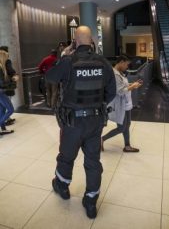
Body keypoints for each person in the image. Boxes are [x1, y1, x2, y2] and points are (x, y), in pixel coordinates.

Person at [46, 25, 116, 219]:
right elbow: (111, 91)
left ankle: (62, 186)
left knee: (67, 156)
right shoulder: (103, 62)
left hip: (73, 122)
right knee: (93, 161)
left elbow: (50, 76)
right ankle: (91, 201)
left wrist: (63, 55)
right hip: (95, 121)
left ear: (75, 41)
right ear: (91, 40)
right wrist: (98, 105)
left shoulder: (69, 61)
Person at [101, 55, 143, 152]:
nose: (127, 67)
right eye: (127, 64)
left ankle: (127, 146)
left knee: (127, 124)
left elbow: (123, 85)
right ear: (121, 62)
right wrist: (132, 87)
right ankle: (102, 139)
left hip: (126, 103)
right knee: (121, 127)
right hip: (120, 104)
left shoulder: (119, 73)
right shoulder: (115, 74)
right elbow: (120, 91)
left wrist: (132, 84)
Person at [0, 46, 18, 126]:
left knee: (2, 109)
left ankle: (2, 128)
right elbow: (2, 83)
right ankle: (1, 123)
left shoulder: (2, 68)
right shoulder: (1, 68)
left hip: (2, 91)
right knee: (10, 109)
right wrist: (13, 80)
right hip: (1, 92)